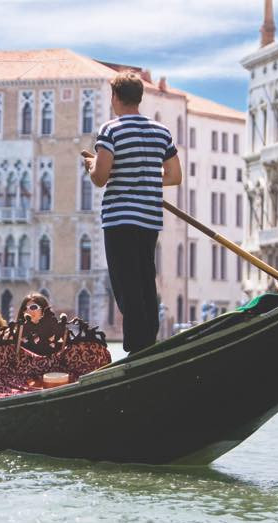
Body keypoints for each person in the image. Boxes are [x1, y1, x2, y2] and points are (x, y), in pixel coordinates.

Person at [83, 72, 182, 353]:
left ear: (115, 97)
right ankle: (148, 342)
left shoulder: (110, 130)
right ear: (139, 97)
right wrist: (146, 176)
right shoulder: (161, 132)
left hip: (120, 218)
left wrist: (91, 165)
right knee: (144, 278)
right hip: (149, 219)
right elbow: (174, 175)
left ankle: (138, 347)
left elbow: (100, 177)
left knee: (126, 285)